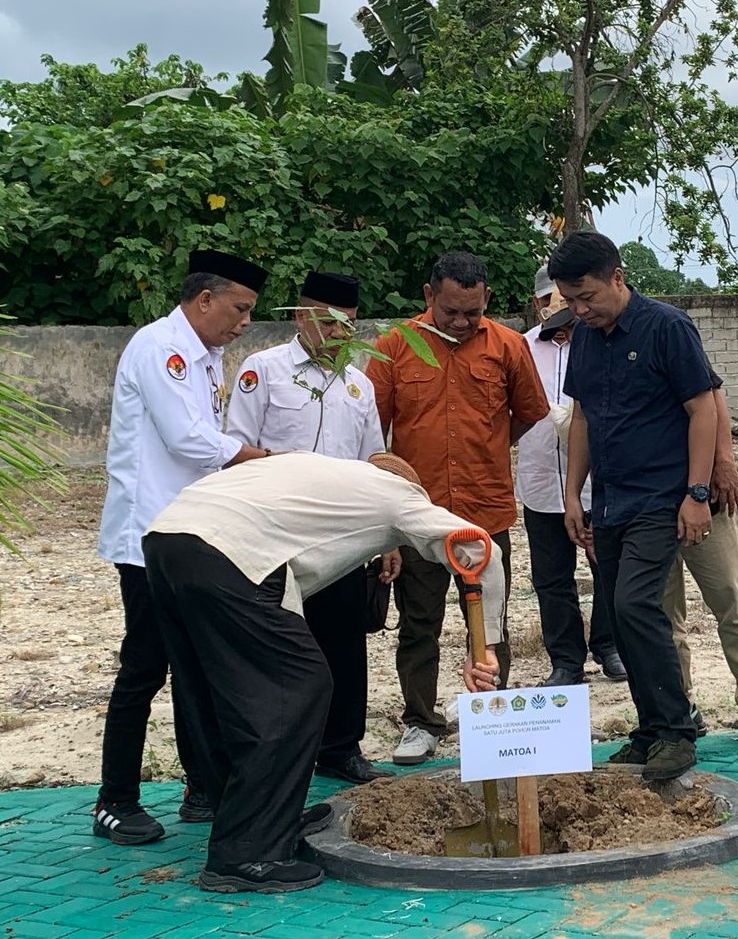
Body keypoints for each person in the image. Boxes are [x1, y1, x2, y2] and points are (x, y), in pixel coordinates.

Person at [144, 451, 502, 894]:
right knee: (297, 688)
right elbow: (476, 546)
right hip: (231, 550)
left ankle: (256, 819)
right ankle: (247, 855)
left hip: (167, 536)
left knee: (213, 687)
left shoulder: (322, 475)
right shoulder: (398, 496)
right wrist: (482, 648)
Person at [93, 249, 271, 846]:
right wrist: (260, 459)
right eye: (239, 309)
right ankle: (114, 798)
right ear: (205, 300)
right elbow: (188, 439)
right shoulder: (161, 349)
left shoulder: (206, 357)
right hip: (148, 535)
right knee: (144, 667)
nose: (244, 322)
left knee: (199, 662)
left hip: (190, 531)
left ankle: (205, 790)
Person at [365, 251, 549, 765]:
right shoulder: (395, 346)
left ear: (486, 298)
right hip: (418, 516)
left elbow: (528, 414)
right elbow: (373, 428)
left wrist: (484, 446)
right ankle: (422, 721)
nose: (463, 322)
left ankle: (492, 720)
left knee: (490, 625)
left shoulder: (509, 346)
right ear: (429, 297)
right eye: (451, 312)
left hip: (485, 513)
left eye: (472, 312)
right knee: (418, 623)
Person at [553, 231, 718, 782]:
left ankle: (675, 731)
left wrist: (697, 494)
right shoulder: (585, 337)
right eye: (570, 301)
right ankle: (648, 731)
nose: (580, 310)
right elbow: (581, 419)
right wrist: (573, 495)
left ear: (617, 277)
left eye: (587, 297)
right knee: (619, 617)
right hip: (610, 501)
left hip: (660, 498)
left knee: (635, 605)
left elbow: (702, 409)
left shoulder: (667, 326)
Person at [224, 269, 394, 786]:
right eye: (330, 322)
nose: (340, 334)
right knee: (280, 642)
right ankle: (280, 751)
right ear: (302, 316)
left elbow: (373, 461)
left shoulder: (358, 383)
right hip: (275, 534)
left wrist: (388, 536)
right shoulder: (265, 370)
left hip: (341, 535)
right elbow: (235, 447)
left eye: (349, 324)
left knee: (344, 639)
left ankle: (342, 746)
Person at [517, 266, 626, 687]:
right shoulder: (520, 349)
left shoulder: (602, 341)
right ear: (538, 304)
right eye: (550, 301)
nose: (559, 309)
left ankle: (609, 644)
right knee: (551, 575)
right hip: (541, 478)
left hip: (601, 479)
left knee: (607, 566)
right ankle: (565, 658)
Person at [664, 383, 738, 747]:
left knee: (733, 602)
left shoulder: (670, 329)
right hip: (646, 506)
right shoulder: (596, 347)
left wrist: (725, 461)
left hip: (706, 500)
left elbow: (710, 396)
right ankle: (679, 705)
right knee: (660, 616)